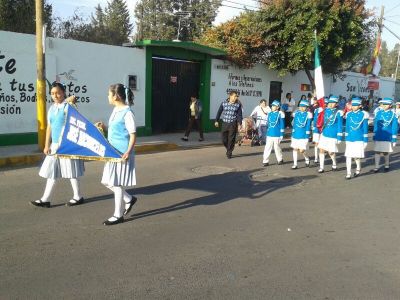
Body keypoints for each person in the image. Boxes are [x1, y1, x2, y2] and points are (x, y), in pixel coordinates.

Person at [30, 82, 85, 208]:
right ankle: (45, 199)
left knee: (72, 171)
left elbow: (76, 122)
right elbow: (49, 127)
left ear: (63, 92)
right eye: (53, 93)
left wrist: (68, 101)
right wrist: (46, 145)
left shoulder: (68, 107)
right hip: (55, 145)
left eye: (58, 93)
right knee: (51, 171)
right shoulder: (52, 108)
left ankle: (77, 196)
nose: (55, 95)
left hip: (67, 144)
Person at [99, 84, 137, 225]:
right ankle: (129, 199)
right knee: (107, 181)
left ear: (115, 96)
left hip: (121, 153)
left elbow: (133, 135)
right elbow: (116, 131)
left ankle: (118, 214)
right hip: (112, 152)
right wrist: (104, 128)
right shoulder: (116, 110)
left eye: (109, 94)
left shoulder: (128, 113)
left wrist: (127, 152)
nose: (107, 97)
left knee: (117, 184)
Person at [317, 95, 344, 173]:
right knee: (321, 150)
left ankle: (334, 164)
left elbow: (340, 125)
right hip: (324, 133)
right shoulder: (324, 111)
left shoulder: (338, 112)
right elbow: (320, 120)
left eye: (333, 103)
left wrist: (339, 137)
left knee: (331, 152)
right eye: (330, 103)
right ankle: (321, 167)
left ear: (336, 104)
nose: (331, 104)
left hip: (333, 135)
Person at [344, 97, 369, 179]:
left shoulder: (364, 114)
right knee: (348, 156)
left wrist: (365, 141)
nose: (354, 107)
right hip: (350, 138)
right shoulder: (349, 114)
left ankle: (358, 168)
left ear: (360, 106)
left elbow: (365, 129)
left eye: (356, 105)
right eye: (353, 105)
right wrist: (346, 138)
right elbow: (347, 128)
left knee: (356, 157)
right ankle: (348, 173)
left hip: (359, 139)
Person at [372, 97, 398, 172]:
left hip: (387, 136)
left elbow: (394, 127)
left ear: (390, 105)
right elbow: (376, 124)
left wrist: (394, 138)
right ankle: (376, 166)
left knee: (385, 152)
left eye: (386, 104)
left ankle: (387, 164)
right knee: (377, 151)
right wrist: (375, 134)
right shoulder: (379, 113)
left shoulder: (393, 114)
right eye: (383, 104)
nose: (383, 105)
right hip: (379, 134)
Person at [215, 91, 243, 159]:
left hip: (233, 123)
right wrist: (216, 120)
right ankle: (229, 148)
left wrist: (240, 123)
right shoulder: (224, 103)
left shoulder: (238, 105)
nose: (236, 97)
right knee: (224, 139)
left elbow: (239, 115)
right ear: (230, 96)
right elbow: (219, 112)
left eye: (236, 96)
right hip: (225, 123)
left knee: (231, 138)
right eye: (235, 96)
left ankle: (229, 152)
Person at [262, 100, 285, 166]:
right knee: (267, 147)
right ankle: (265, 161)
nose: (272, 107)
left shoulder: (280, 114)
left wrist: (281, 134)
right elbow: (268, 124)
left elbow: (282, 125)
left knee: (277, 147)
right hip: (269, 133)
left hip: (277, 134)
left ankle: (280, 159)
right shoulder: (269, 114)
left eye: (274, 106)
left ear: (277, 107)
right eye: (272, 105)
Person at [291, 100, 312, 169]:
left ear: (306, 107)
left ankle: (307, 158)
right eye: (300, 106)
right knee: (295, 149)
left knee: (302, 150)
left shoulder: (308, 114)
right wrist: (293, 133)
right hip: (296, 134)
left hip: (303, 135)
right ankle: (295, 164)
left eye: (304, 107)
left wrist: (307, 136)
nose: (302, 108)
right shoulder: (296, 113)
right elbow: (294, 124)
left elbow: (308, 126)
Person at [311, 96, 327, 163]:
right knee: (316, 143)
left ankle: (322, 155)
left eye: (326, 103)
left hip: (324, 129)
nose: (325, 104)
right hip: (316, 129)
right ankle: (316, 158)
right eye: (324, 103)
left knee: (323, 144)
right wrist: (314, 126)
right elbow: (315, 119)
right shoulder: (316, 110)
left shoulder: (328, 111)